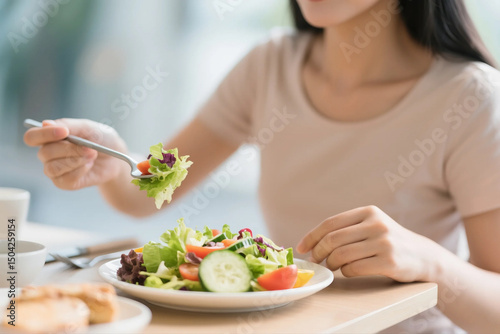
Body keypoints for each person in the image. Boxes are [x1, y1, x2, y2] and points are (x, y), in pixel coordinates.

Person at [24, 0, 500, 332]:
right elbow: (148, 188)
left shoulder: (471, 98)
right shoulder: (269, 65)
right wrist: (112, 159)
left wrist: (432, 262)